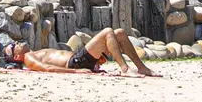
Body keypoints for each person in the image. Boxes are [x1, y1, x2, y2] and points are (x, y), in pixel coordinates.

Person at [9, 27, 156, 76]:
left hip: (80, 59)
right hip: (76, 63)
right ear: (16, 56)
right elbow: (46, 68)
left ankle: (142, 68)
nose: (16, 42)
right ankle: (125, 68)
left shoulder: (36, 52)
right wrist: (75, 72)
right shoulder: (29, 57)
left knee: (120, 33)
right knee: (107, 32)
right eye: (13, 45)